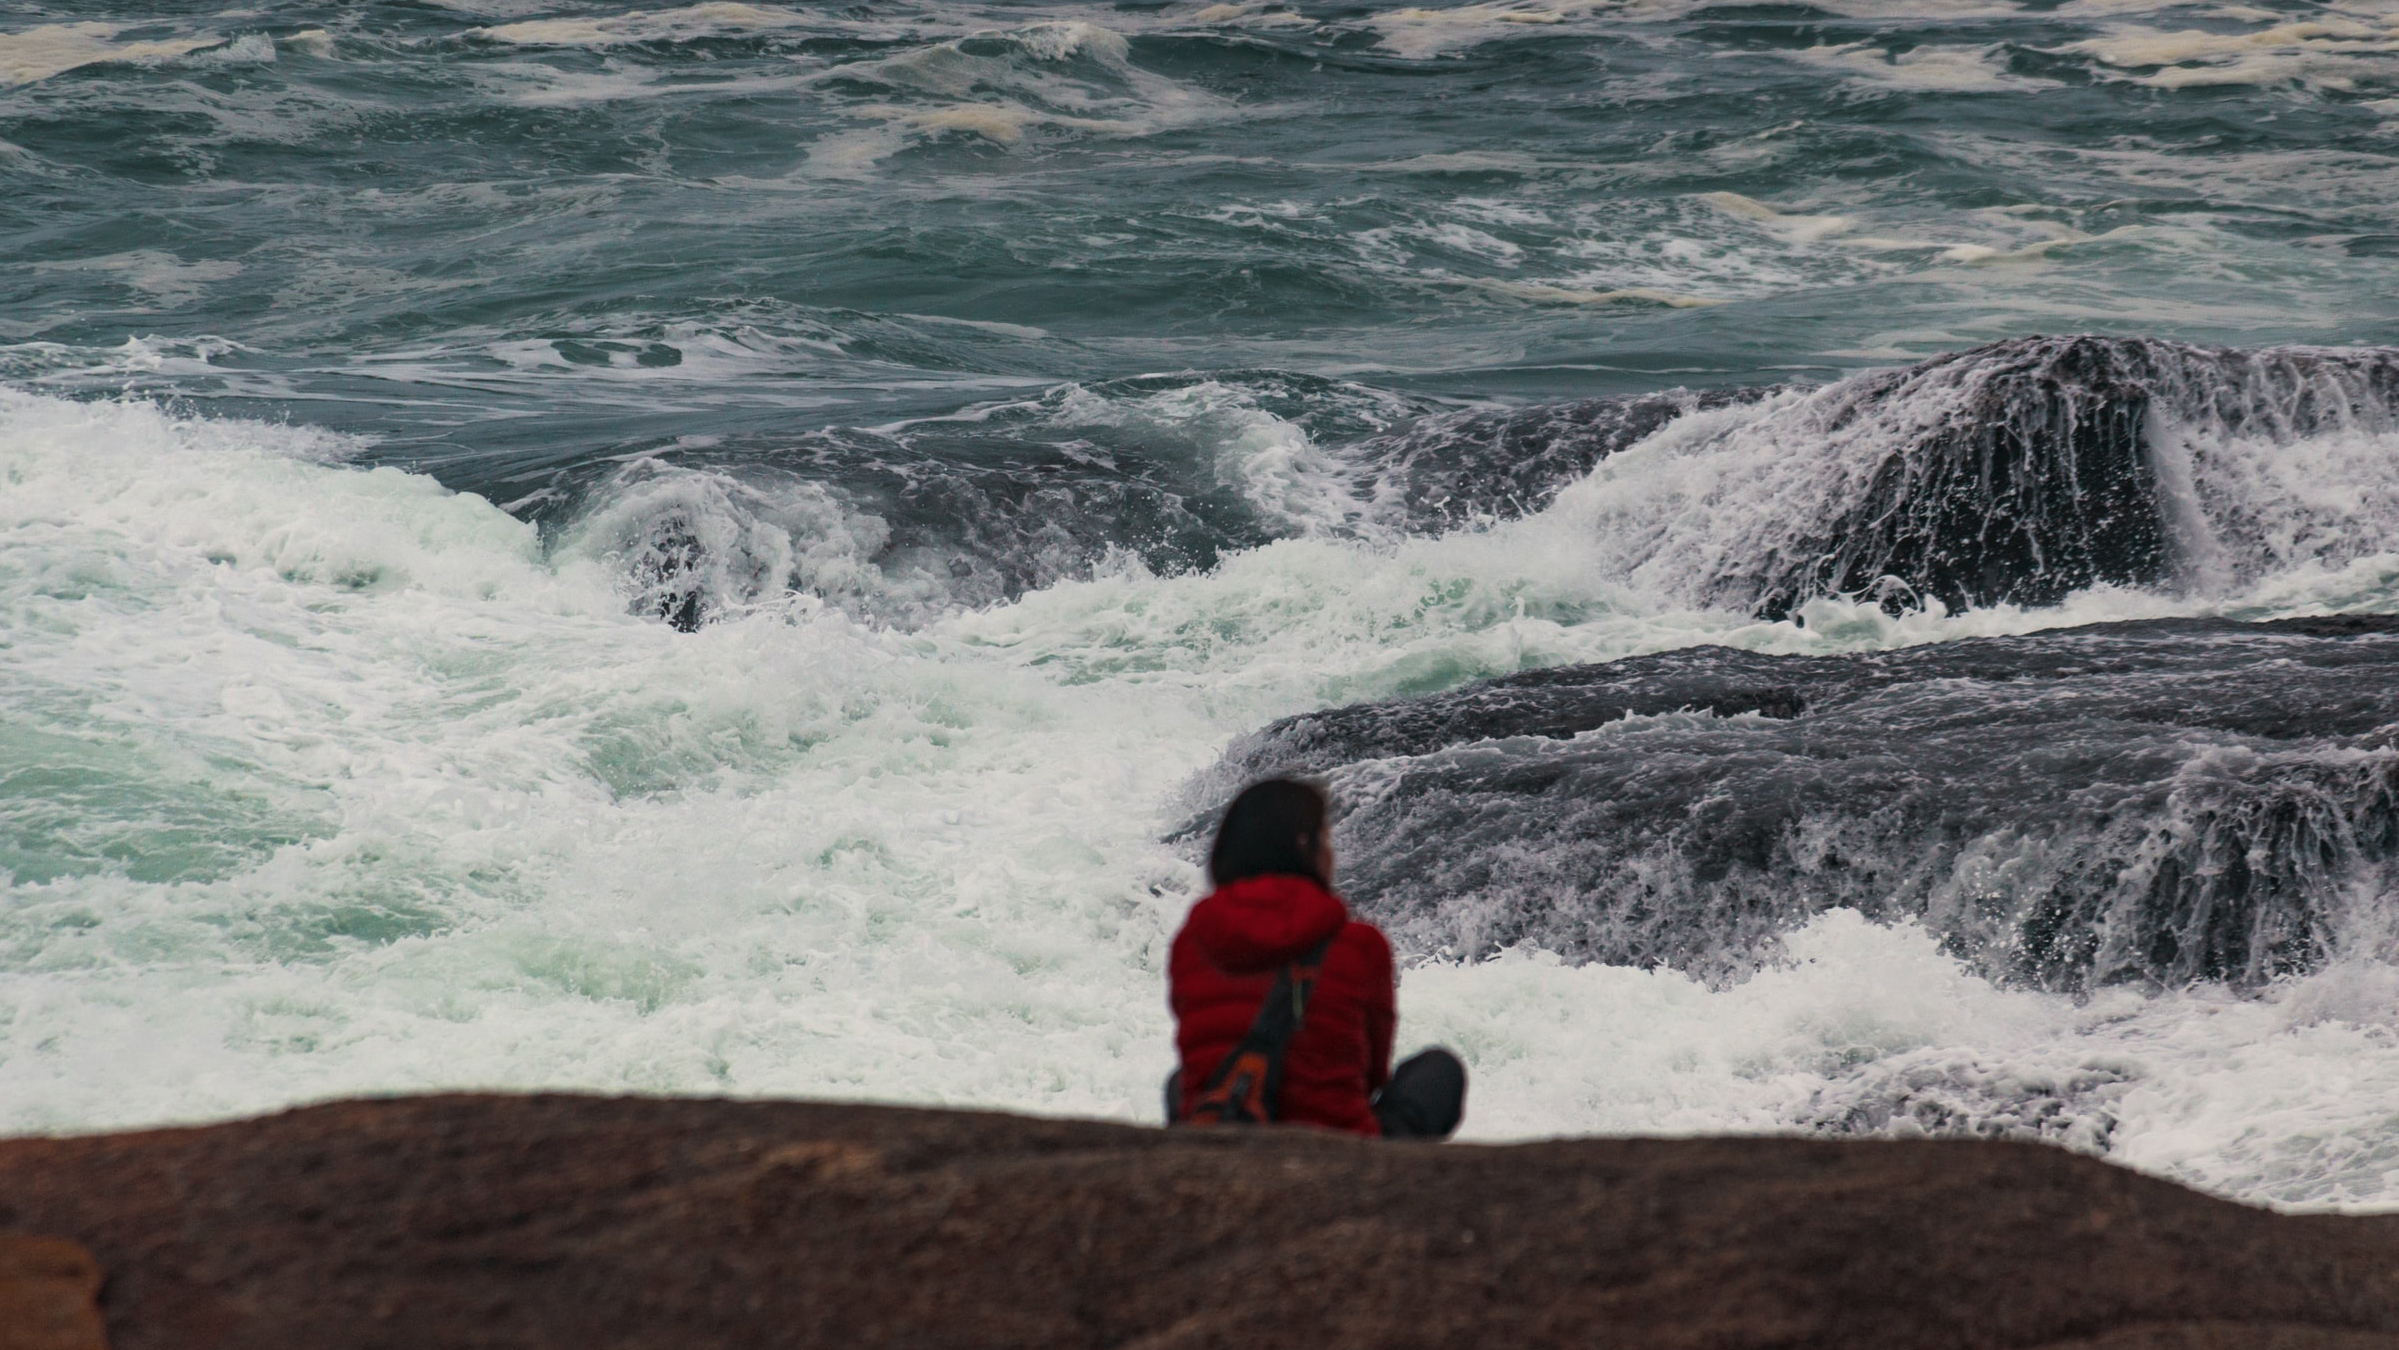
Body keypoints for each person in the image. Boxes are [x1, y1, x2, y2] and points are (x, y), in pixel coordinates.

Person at [1166, 777, 1465, 1138]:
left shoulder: (1192, 940)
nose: (1330, 853)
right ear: (1303, 846)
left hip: (1221, 1128)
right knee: (1439, 1070)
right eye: (1325, 838)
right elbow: (1370, 1076)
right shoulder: (1360, 944)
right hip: (1338, 1142)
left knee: (1181, 1081)